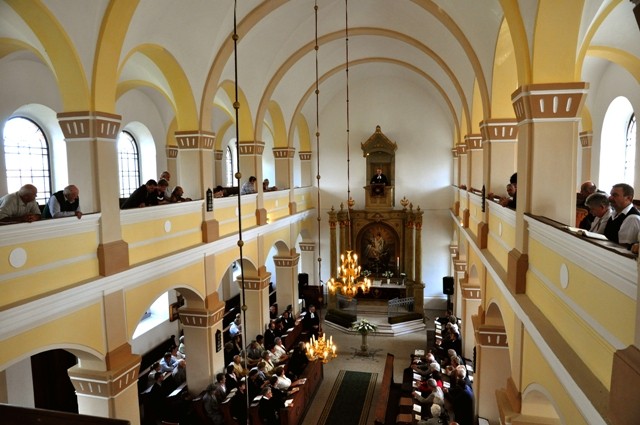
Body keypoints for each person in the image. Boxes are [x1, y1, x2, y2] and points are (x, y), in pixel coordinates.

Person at [604, 183, 640, 248]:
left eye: (615, 195)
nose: (610, 198)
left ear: (628, 198)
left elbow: (623, 248)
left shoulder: (632, 218)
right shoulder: (615, 213)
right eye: (611, 194)